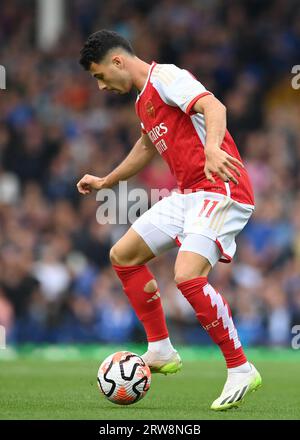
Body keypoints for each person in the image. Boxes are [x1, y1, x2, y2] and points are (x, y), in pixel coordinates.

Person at [77, 29, 262, 411]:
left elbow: (214, 107)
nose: (100, 86)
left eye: (98, 76)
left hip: (220, 188)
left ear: (117, 61)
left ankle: (240, 367)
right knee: (123, 254)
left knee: (187, 276)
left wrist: (212, 149)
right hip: (189, 194)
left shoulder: (166, 77)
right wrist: (107, 180)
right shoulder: (143, 102)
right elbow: (147, 146)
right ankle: (161, 348)